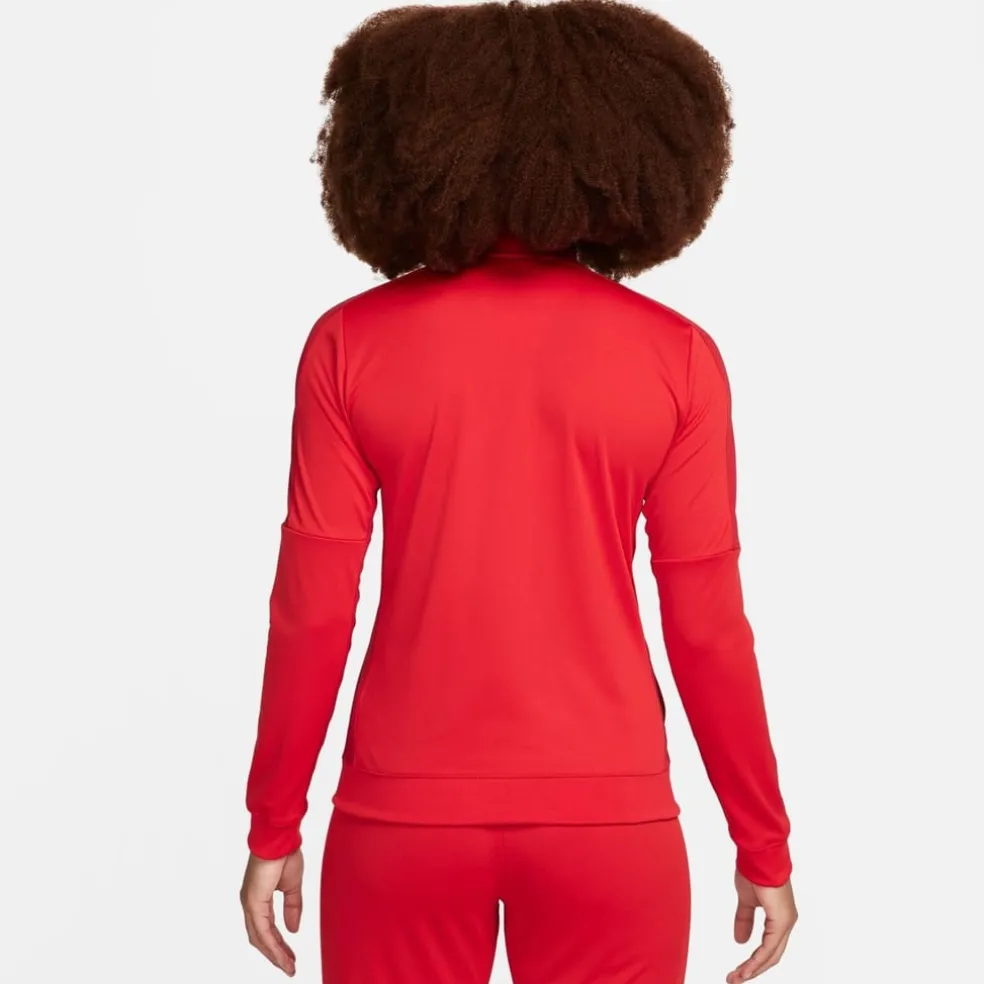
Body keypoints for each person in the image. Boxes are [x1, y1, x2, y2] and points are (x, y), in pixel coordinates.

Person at [240, 2, 796, 982]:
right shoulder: (676, 358)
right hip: (609, 825)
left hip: (401, 821)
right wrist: (763, 843)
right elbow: (707, 626)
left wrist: (273, 823)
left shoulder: (349, 344)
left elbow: (312, 610)